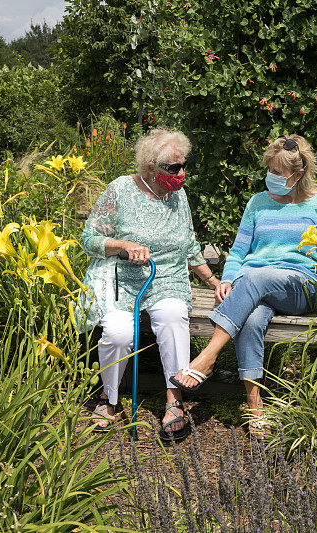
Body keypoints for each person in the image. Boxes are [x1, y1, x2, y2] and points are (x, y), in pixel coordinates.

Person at [170, 134, 317, 439]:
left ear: (299, 173)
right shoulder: (258, 203)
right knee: (251, 318)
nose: (271, 177)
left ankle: (208, 356)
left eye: (278, 172)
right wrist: (226, 279)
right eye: (269, 169)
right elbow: (239, 251)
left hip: (301, 285)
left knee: (255, 278)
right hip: (255, 286)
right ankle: (255, 404)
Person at [78, 128, 219, 439]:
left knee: (171, 316)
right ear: (151, 168)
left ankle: (174, 399)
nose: (182, 174)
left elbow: (189, 245)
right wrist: (122, 245)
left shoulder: (178, 196)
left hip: (167, 278)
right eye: (174, 168)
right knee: (117, 332)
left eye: (184, 165)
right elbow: (89, 239)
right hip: (124, 282)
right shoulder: (119, 191)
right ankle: (109, 397)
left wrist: (212, 282)